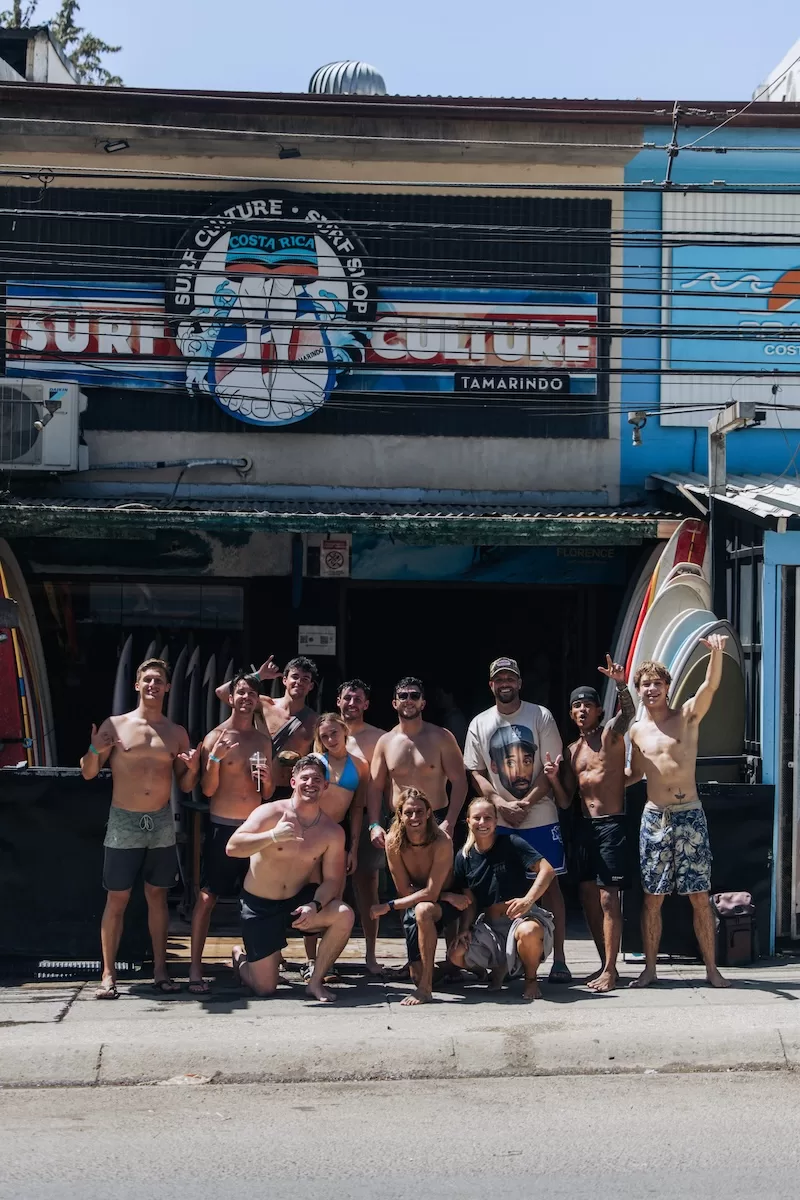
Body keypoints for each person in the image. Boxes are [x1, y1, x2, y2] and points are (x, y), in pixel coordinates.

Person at [80, 658, 200, 1000]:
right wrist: (94, 749)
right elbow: (88, 772)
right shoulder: (116, 725)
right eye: (147, 679)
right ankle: (108, 974)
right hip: (124, 821)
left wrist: (191, 768)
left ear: (167, 687)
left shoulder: (176, 733)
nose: (152, 685)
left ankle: (161, 971)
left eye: (158, 680)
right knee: (117, 898)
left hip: (160, 820)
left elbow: (186, 784)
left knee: (157, 896)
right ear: (137, 685)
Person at [626, 635, 731, 990]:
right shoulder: (637, 730)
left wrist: (716, 654)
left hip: (690, 815)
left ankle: (712, 969)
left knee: (700, 896)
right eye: (645, 684)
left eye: (657, 683)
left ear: (667, 687)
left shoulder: (686, 716)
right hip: (655, 817)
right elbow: (634, 775)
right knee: (652, 897)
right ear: (638, 691)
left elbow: (710, 685)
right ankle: (650, 969)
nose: (651, 689)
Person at [463, 657, 571, 983]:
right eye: (499, 679)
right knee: (501, 888)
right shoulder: (480, 723)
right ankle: (506, 959)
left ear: (520, 683)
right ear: (491, 685)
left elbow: (552, 766)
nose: (505, 683)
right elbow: (476, 771)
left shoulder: (540, 716)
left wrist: (525, 802)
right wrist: (498, 803)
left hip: (539, 815)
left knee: (550, 886)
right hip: (499, 820)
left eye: (511, 677)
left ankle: (560, 961)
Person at [225, 755, 354, 1002]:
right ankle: (240, 957)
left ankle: (315, 982)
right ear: (293, 782)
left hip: (297, 901)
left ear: (326, 786)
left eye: (318, 779)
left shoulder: (332, 831)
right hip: (260, 904)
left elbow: (332, 881)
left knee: (344, 914)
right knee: (265, 989)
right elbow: (233, 847)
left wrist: (313, 905)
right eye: (305, 778)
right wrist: (273, 836)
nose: (311, 783)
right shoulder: (270, 812)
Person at [188, 672, 274, 995]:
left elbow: (265, 793)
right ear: (232, 697)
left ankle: (253, 963)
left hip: (253, 826)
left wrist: (266, 777)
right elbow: (208, 790)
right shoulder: (216, 737)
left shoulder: (262, 740)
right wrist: (214, 759)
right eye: (241, 692)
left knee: (255, 898)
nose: (246, 698)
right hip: (223, 826)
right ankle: (195, 969)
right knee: (208, 897)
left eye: (253, 694)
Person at [561, 656, 636, 993]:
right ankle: (603, 962)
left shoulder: (611, 735)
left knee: (609, 898)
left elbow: (630, 714)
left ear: (598, 711)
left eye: (588, 705)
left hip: (612, 825)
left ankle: (610, 969)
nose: (581, 710)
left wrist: (620, 683)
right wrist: (551, 779)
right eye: (576, 706)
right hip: (584, 826)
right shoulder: (572, 750)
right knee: (587, 894)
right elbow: (565, 799)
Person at [447, 797, 556, 1002]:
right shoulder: (464, 857)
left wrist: (528, 899)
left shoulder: (511, 842)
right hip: (490, 925)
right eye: (477, 818)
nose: (482, 823)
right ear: (468, 821)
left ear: (496, 821)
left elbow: (547, 870)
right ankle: (499, 967)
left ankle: (530, 980)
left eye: (487, 818)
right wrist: (465, 928)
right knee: (456, 954)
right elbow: (469, 901)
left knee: (529, 931)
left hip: (521, 918)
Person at [370, 788, 467, 1006]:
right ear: (400, 815)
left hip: (446, 904)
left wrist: (389, 906)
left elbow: (431, 894)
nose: (415, 818)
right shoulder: (394, 841)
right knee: (416, 974)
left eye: (419, 812)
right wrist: (445, 894)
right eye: (409, 813)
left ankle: (426, 988)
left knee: (423, 910)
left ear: (429, 812)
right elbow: (404, 889)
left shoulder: (442, 841)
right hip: (430, 897)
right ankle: (452, 967)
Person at [300, 712, 369, 980]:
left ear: (344, 732)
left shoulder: (360, 765)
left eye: (334, 733)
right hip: (315, 832)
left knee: (334, 897)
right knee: (312, 895)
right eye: (324, 736)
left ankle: (327, 960)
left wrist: (352, 847)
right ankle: (309, 959)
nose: (330, 739)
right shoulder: (317, 762)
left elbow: (358, 808)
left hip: (338, 834)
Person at [367, 677, 467, 841]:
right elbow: (374, 787)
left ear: (423, 703)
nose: (408, 700)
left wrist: (450, 821)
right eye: (403, 696)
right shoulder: (385, 741)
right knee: (397, 868)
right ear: (394, 703)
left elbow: (460, 781)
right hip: (399, 821)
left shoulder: (442, 737)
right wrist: (374, 824)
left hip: (436, 820)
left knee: (439, 867)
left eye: (414, 696)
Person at [337, 679, 387, 975]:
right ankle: (323, 956)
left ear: (366, 704)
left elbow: (388, 782)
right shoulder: (327, 733)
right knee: (330, 886)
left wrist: (379, 822)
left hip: (369, 816)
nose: (352, 704)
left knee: (367, 886)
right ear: (338, 701)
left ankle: (370, 954)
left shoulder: (379, 738)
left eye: (358, 699)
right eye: (347, 698)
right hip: (332, 818)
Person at [215, 655, 318, 793]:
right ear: (285, 680)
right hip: (257, 785)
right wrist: (258, 676)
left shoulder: (314, 720)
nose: (299, 682)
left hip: (292, 790)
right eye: (295, 676)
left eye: (305, 679)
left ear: (310, 686)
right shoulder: (263, 705)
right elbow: (222, 692)